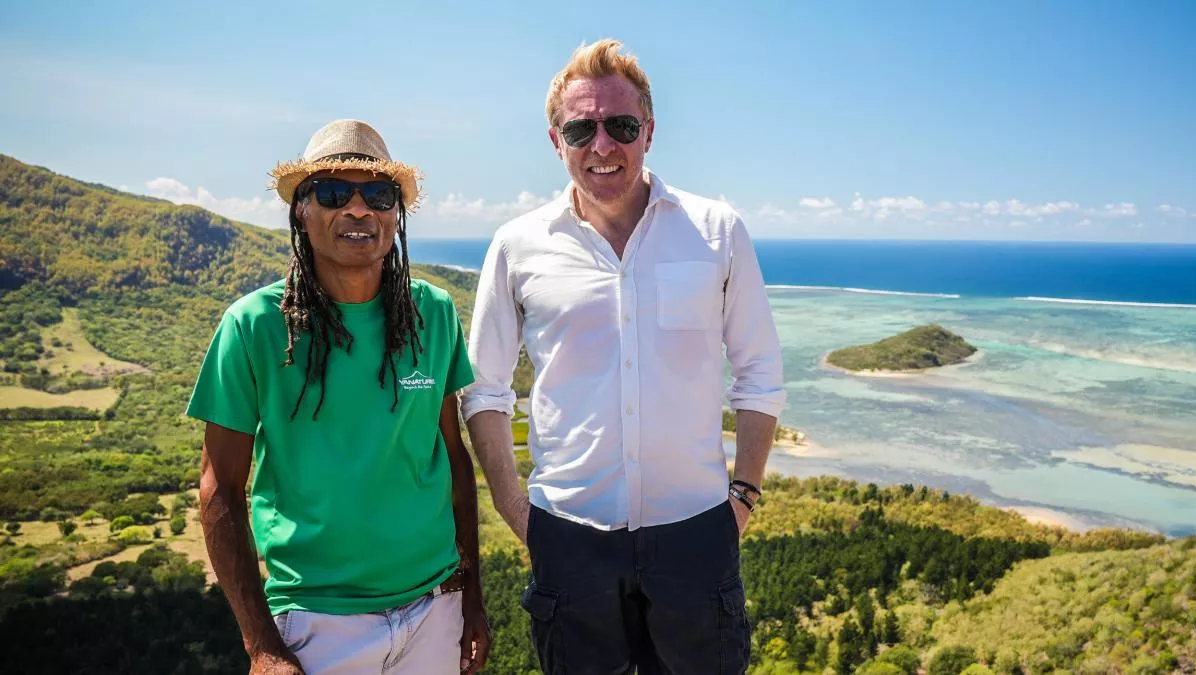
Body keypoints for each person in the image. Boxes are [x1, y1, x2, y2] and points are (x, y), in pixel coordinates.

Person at [461, 40, 785, 674]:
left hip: (696, 532)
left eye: (621, 126)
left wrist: (741, 498)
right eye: (582, 128)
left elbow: (759, 374)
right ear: (557, 140)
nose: (602, 145)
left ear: (650, 132)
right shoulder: (518, 244)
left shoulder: (717, 230)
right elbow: (485, 388)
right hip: (569, 535)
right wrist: (513, 507)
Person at [187, 119, 490, 675]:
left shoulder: (434, 313)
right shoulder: (252, 326)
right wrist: (262, 646)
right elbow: (220, 489)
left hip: (436, 611)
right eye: (332, 192)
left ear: (396, 214)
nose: (358, 209)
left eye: (378, 194)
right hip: (316, 623)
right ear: (301, 210)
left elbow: (451, 458)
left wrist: (471, 596)